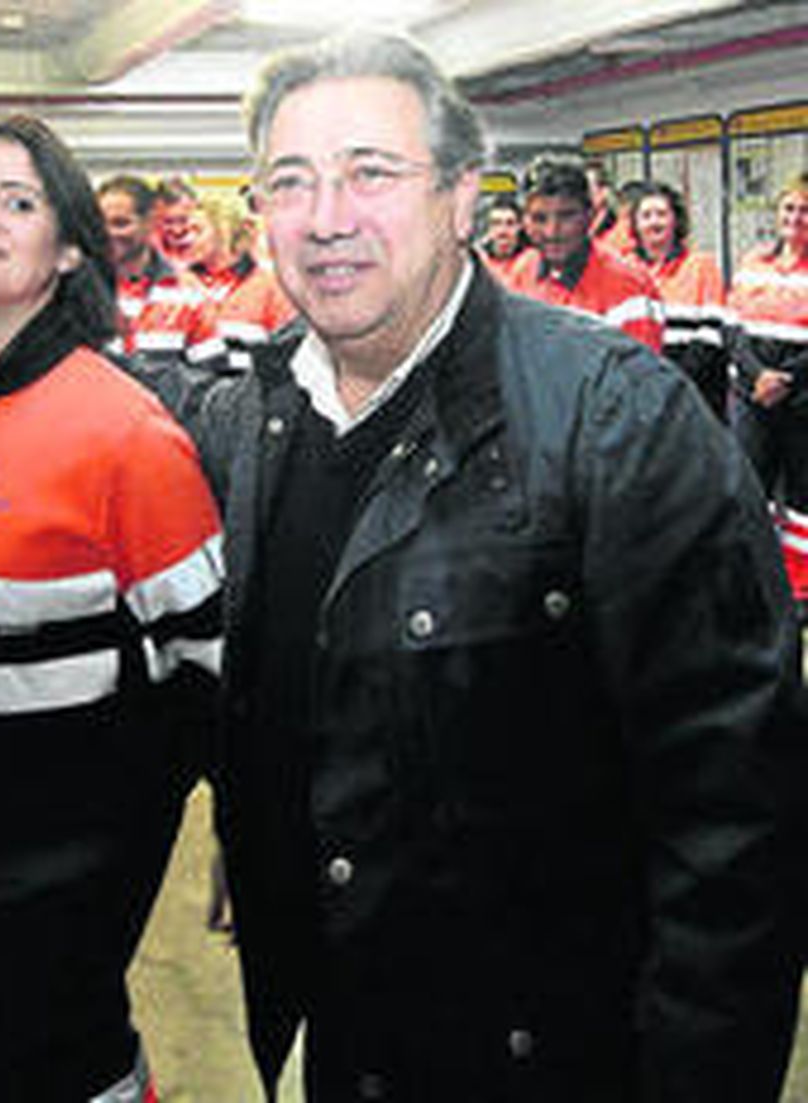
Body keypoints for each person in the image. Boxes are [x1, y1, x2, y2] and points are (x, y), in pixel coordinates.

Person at [193, 31, 802, 1101]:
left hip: (555, 1047)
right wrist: (265, 828)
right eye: (289, 181)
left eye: (369, 172)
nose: (325, 215)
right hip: (348, 1025)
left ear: (461, 195)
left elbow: (734, 814)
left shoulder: (614, 415)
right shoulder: (255, 419)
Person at [0, 113, 223, 1102]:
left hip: (79, 812)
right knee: (77, 1034)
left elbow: (208, 649)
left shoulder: (123, 426)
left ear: (68, 249)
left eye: (17, 201)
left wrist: (242, 820)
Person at [729, 173, 808, 605]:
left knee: (800, 500)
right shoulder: (752, 263)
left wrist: (785, 379)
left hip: (801, 399)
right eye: (789, 208)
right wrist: (758, 375)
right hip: (751, 396)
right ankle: (754, 578)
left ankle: (799, 587)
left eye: (805, 210)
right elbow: (732, 328)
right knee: (749, 490)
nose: (796, 217)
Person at [509, 157, 665, 352]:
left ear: (590, 215)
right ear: (524, 221)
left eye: (566, 216)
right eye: (539, 219)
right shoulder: (521, 273)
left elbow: (639, 369)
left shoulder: (629, 285)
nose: (552, 231)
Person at [97, 174, 223, 369]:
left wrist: (161, 381)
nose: (108, 233)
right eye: (101, 224)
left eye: (121, 223)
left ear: (150, 222)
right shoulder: (83, 290)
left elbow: (214, 374)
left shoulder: (188, 292)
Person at [629, 180, 728, 417]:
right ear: (636, 224)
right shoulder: (625, 269)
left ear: (676, 220)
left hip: (694, 388)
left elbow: (711, 333)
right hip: (637, 389)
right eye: (646, 216)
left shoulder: (702, 266)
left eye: (661, 214)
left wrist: (671, 382)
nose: (654, 222)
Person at [190, 190, 295, 371]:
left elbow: (285, 359)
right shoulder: (175, 286)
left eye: (197, 230)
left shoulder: (272, 288)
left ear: (225, 231)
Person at [477, 192, 530, 288]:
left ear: (520, 226)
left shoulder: (531, 258)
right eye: (496, 223)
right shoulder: (477, 261)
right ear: (488, 228)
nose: (502, 231)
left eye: (510, 223)